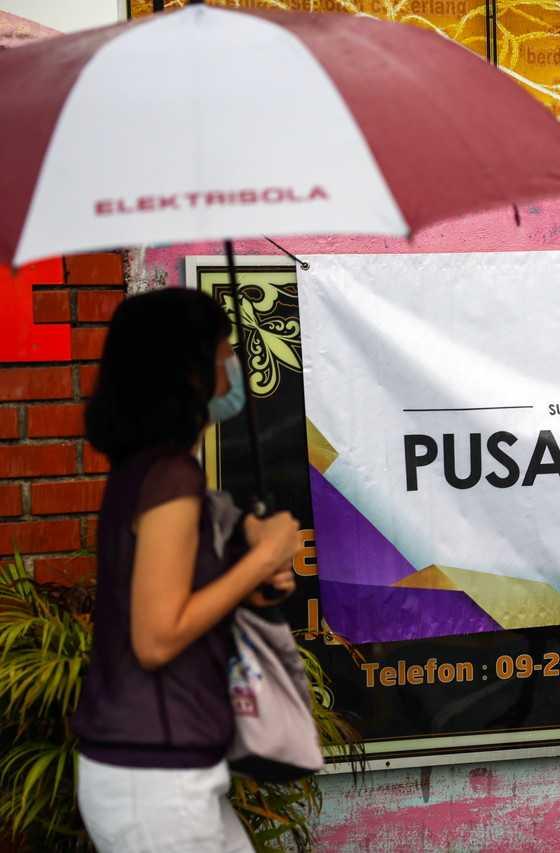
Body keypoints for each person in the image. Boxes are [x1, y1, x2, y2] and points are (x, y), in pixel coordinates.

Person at [72, 289, 302, 852]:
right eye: (225, 349)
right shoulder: (170, 477)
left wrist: (252, 573)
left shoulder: (152, 471)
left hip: (169, 767)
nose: (233, 365)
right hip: (155, 779)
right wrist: (261, 561)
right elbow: (156, 636)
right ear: (189, 370)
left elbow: (178, 598)